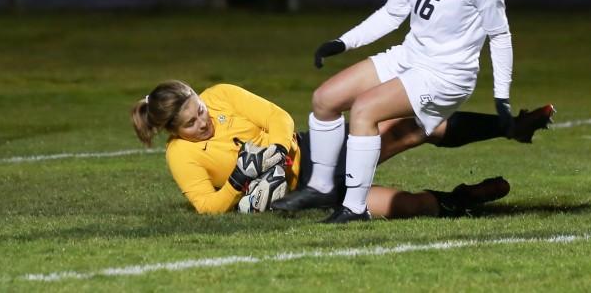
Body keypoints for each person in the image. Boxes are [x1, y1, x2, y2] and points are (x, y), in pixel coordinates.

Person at [276, 0, 520, 223]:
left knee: (364, 111)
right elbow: (392, 14)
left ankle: (355, 208)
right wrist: (343, 42)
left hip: (445, 75)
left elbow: (500, 37)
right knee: (325, 99)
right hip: (410, 56)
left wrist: (501, 98)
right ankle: (319, 187)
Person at [130, 81, 551, 217]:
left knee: (412, 126)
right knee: (408, 206)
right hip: (307, 195)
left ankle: (508, 126)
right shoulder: (180, 156)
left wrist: (277, 148)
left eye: (200, 111)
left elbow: (277, 117)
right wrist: (239, 183)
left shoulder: (220, 93)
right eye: (191, 123)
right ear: (172, 130)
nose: (202, 121)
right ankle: (463, 198)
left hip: (317, 155)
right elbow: (206, 206)